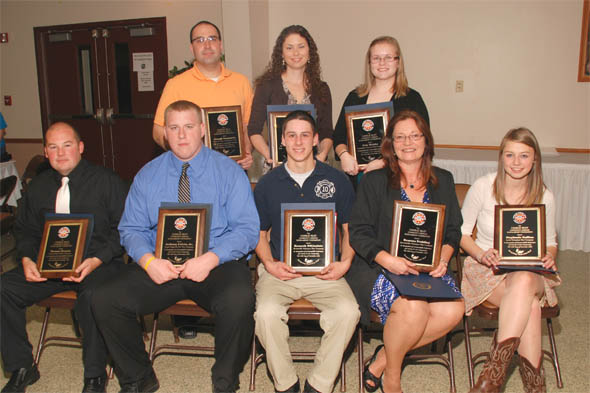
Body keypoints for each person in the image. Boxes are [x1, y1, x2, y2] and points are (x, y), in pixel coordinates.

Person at [91, 100, 259, 393]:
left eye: (189, 127)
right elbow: (130, 228)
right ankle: (137, 377)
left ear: (203, 130)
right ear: (164, 133)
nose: (182, 135)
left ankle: (224, 381)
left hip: (214, 265)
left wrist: (210, 258)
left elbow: (247, 229)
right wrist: (147, 261)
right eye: (174, 128)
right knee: (104, 298)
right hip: (162, 265)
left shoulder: (229, 172)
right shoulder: (147, 175)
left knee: (240, 298)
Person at [0, 122, 128, 393]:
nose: (60, 153)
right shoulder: (37, 187)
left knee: (92, 296)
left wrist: (96, 260)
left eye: (67, 145)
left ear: (80, 147)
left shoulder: (108, 182)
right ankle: (22, 367)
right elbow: (25, 231)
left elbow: (125, 232)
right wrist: (26, 259)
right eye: (53, 147)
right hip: (51, 267)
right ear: (45, 152)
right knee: (4, 288)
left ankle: (95, 376)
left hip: (98, 265)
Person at [346, 110, 464, 393]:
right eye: (400, 137)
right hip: (378, 267)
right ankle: (393, 381)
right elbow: (358, 232)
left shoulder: (444, 180)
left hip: (429, 269)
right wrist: (389, 261)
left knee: (454, 309)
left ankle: (382, 360)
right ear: (390, 143)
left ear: (426, 140)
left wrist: (444, 260)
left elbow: (453, 231)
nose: (407, 142)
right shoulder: (374, 181)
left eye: (414, 135)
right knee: (413, 306)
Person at [253, 110, 359, 393]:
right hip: (279, 271)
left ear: (315, 140)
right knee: (265, 314)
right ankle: (285, 384)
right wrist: (269, 263)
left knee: (348, 312)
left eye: (304, 135)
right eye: (291, 135)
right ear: (282, 141)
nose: (298, 142)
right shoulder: (267, 184)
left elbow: (349, 231)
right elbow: (259, 234)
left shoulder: (337, 181)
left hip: (326, 271)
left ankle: (319, 384)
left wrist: (345, 263)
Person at [460, 128, 561, 393]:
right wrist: (481, 253)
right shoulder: (484, 186)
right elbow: (459, 234)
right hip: (486, 269)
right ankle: (535, 388)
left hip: (530, 271)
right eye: (510, 155)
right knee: (531, 307)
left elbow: (551, 241)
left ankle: (491, 377)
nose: (516, 162)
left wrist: (549, 256)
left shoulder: (544, 196)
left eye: (524, 155)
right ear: (501, 157)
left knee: (525, 277)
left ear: (535, 160)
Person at [152, 20, 253, 171]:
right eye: (200, 40)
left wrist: (246, 153)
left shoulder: (241, 82)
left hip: (233, 170)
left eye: (212, 39)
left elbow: (247, 128)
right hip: (193, 171)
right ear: (192, 48)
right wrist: (182, 152)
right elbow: (158, 131)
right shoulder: (176, 84)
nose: (207, 45)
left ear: (220, 45)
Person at [333, 36, 429, 185]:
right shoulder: (355, 97)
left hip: (398, 179)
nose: (382, 63)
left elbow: (423, 142)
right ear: (369, 63)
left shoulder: (412, 99)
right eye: (376, 58)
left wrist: (385, 162)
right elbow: (338, 137)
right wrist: (344, 155)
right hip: (358, 180)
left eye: (388, 57)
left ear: (398, 62)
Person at [248, 25, 333, 168]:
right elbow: (254, 130)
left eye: (301, 46)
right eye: (289, 48)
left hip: (314, 166)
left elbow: (327, 131)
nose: (295, 53)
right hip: (279, 168)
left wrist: (322, 155)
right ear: (281, 53)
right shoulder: (266, 86)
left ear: (309, 51)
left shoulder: (322, 89)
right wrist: (270, 156)